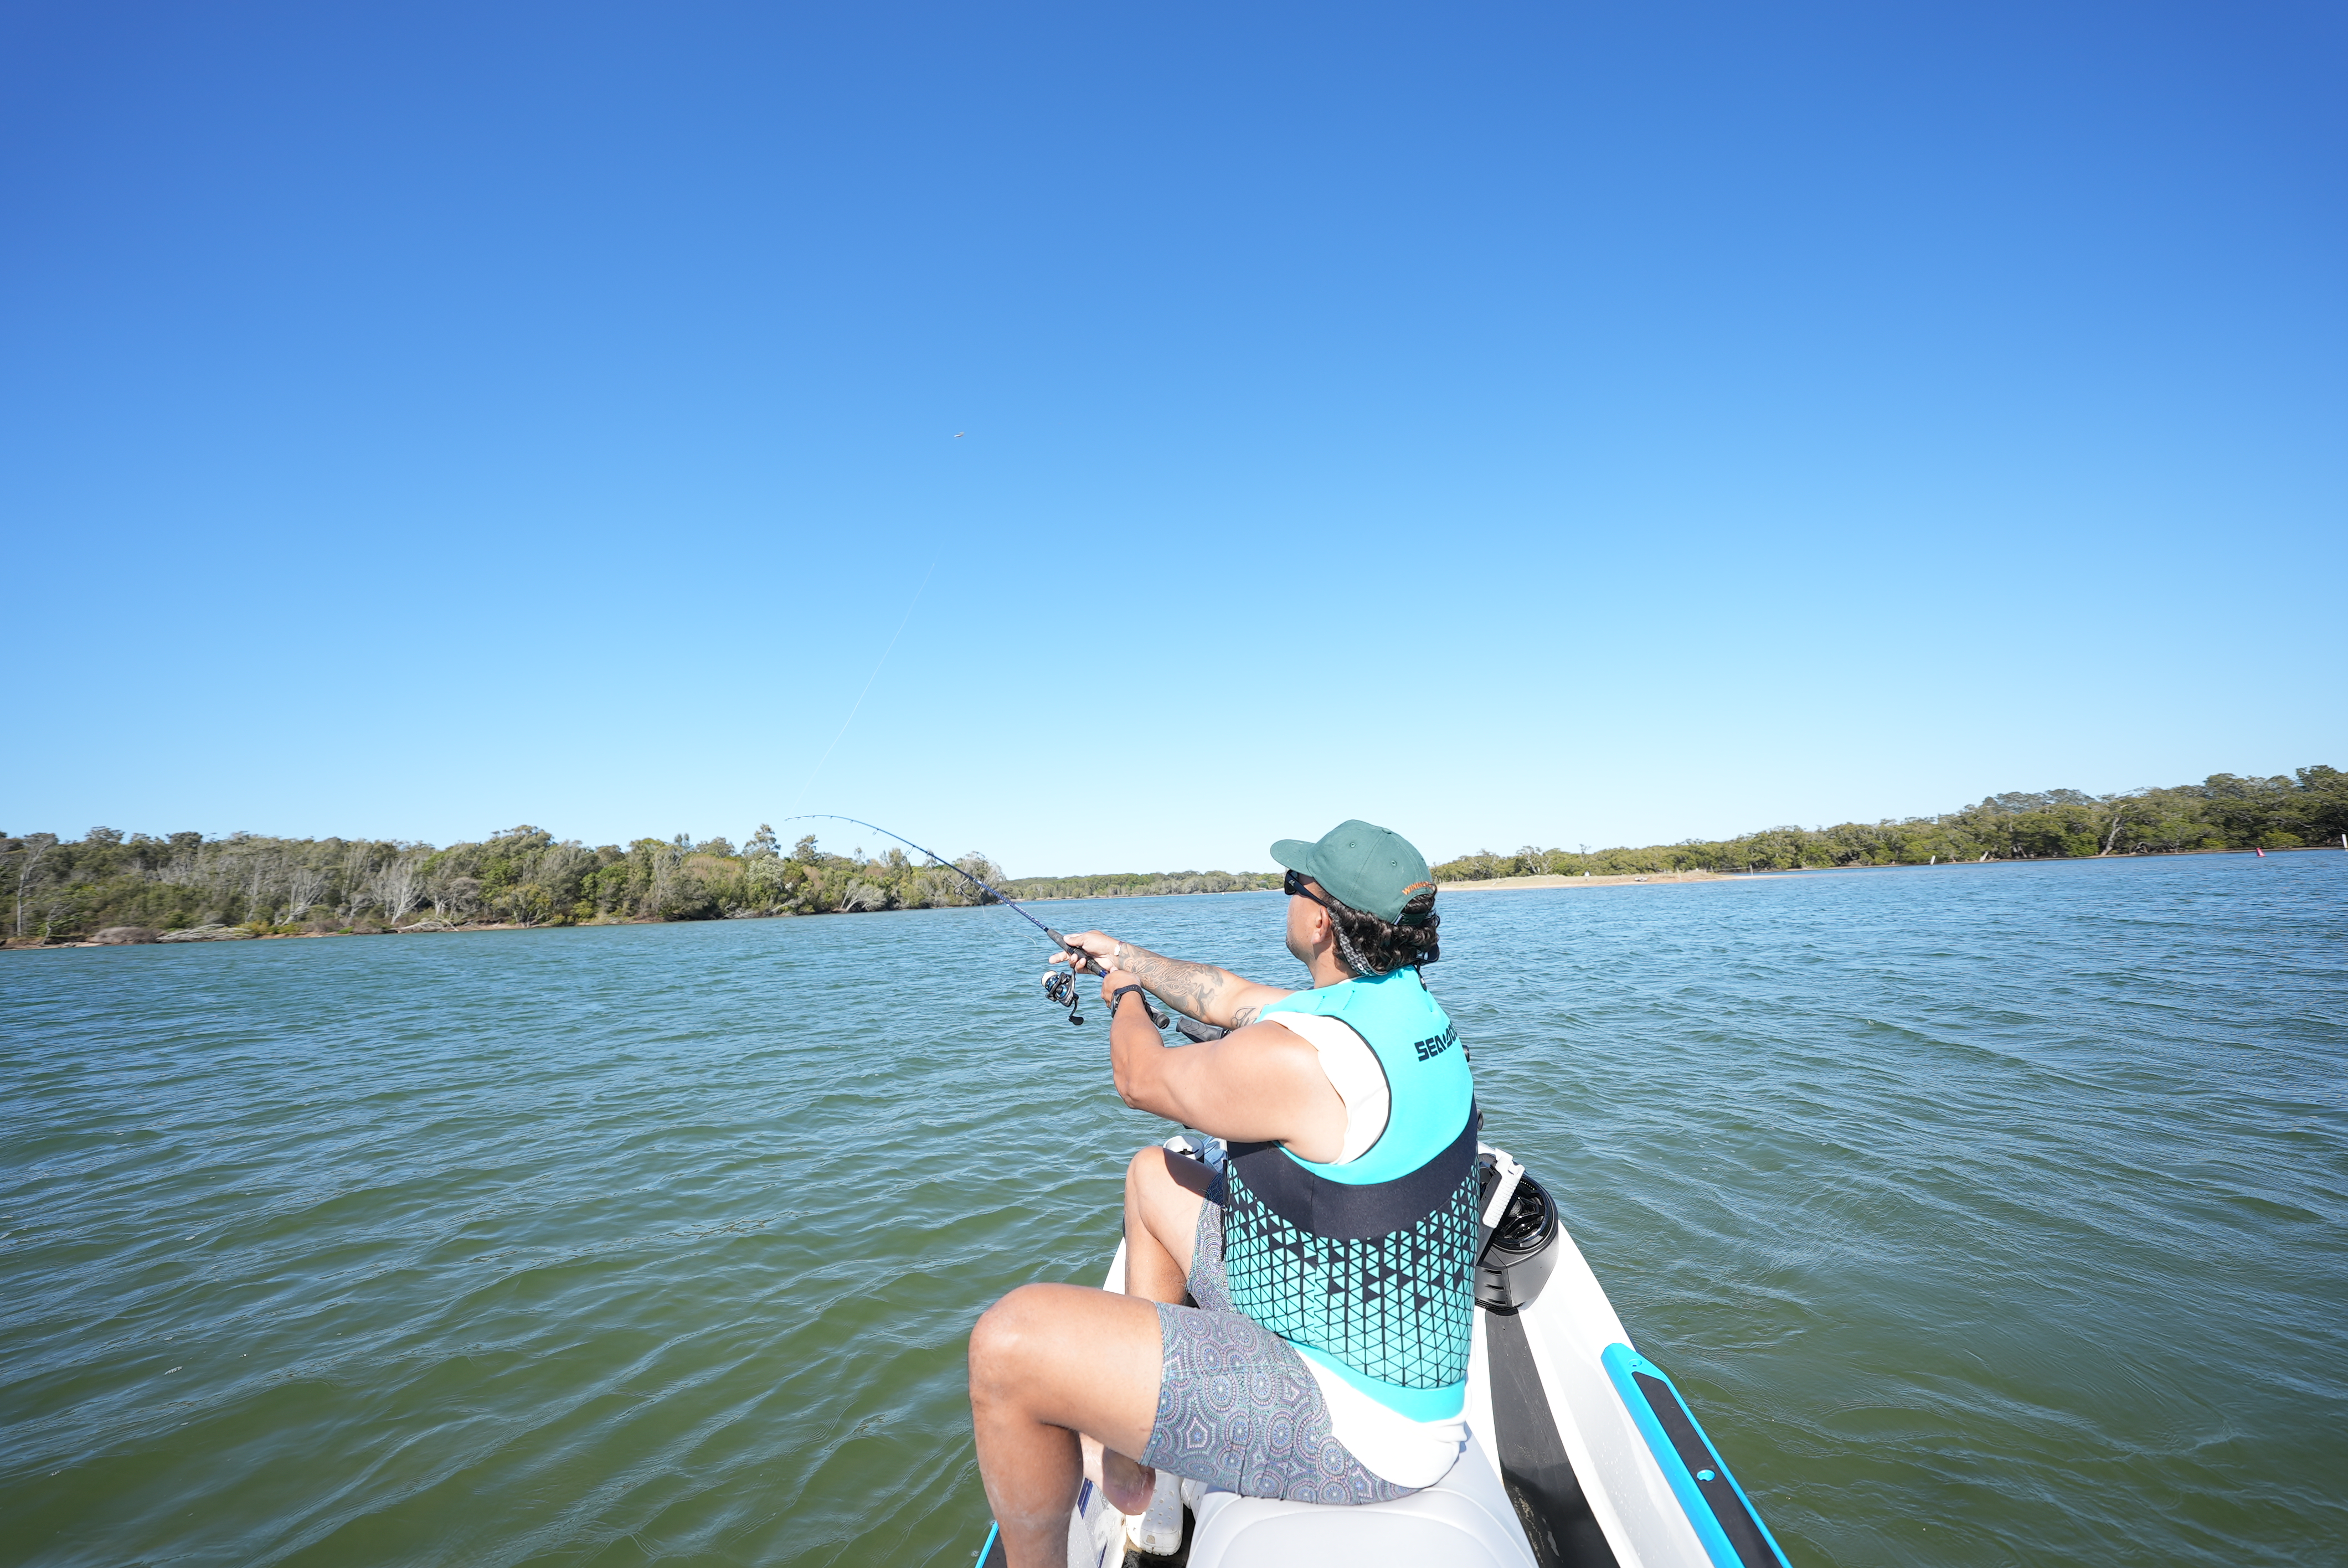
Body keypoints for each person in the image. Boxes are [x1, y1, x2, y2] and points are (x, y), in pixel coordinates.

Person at [966, 820, 1477, 1567]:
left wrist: (1127, 997)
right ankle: (1146, 1475)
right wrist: (1127, 956)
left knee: (1009, 1346)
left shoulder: (1300, 1057)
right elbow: (1226, 996)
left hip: (1357, 1426)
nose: (1287, 900)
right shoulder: (1403, 1013)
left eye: (1291, 886)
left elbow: (1142, 1080)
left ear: (1320, 917)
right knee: (1153, 1177)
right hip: (1332, 1319)